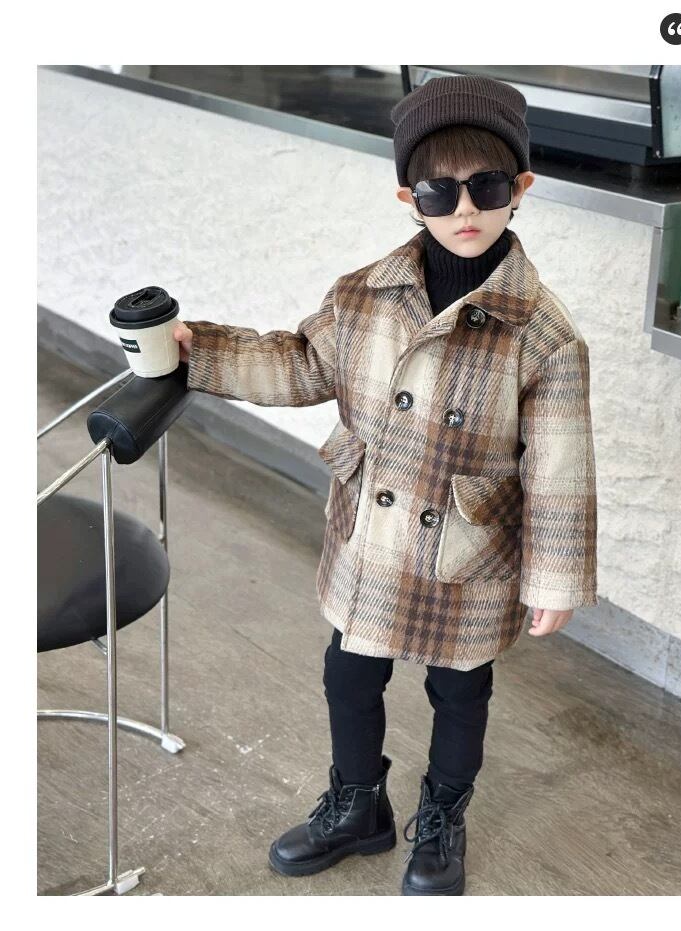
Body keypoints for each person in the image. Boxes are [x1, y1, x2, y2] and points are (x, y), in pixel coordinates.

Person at [174, 74, 598, 896]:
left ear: (521, 188)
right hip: (374, 534)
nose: (464, 209)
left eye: (487, 187)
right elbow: (301, 363)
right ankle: (358, 804)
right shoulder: (365, 294)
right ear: (410, 197)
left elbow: (560, 468)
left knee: (460, 689)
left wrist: (555, 578)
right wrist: (205, 352)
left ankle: (442, 817)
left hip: (466, 553)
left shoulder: (543, 333)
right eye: (440, 191)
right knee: (349, 672)